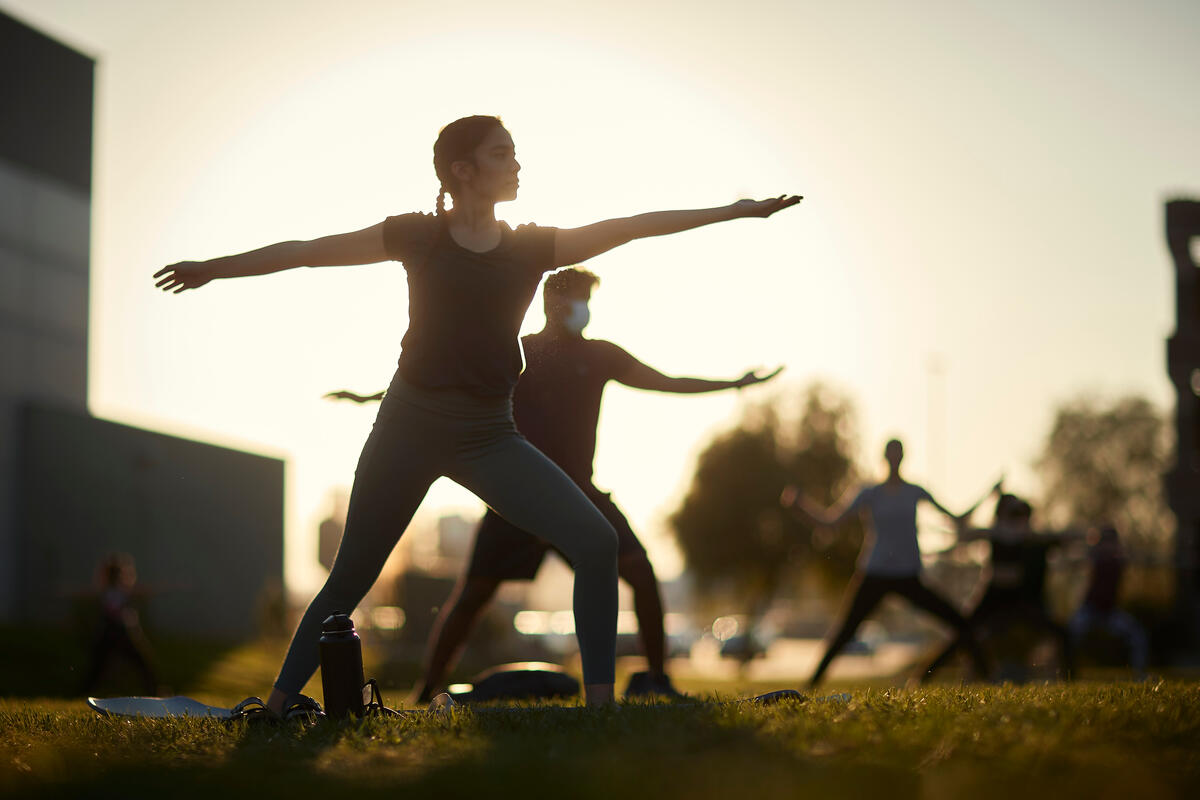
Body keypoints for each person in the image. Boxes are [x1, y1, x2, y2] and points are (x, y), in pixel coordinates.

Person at [154, 114, 801, 712]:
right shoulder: (419, 235)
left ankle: (601, 712)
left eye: (514, 153)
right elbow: (306, 250)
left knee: (596, 542)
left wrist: (735, 212)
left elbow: (631, 225)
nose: (517, 163)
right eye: (502, 154)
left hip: (489, 434)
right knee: (350, 576)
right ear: (463, 170)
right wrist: (213, 268)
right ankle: (276, 708)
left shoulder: (531, 247)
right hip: (408, 426)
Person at [331, 267, 782, 702]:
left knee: (642, 576)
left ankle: (656, 679)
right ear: (552, 304)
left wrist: (736, 383)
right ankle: (427, 690)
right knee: (471, 597)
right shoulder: (518, 352)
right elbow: (446, 380)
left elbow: (667, 382)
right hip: (516, 495)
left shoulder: (601, 355)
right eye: (578, 299)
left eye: (588, 300)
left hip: (581, 496)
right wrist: (371, 396)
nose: (584, 308)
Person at [780, 439, 991, 688]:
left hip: (908, 575)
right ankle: (812, 684)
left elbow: (957, 519)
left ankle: (983, 677)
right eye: (890, 454)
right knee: (845, 631)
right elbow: (830, 523)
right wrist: (800, 506)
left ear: (902, 457)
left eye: (898, 454)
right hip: (875, 573)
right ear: (885, 458)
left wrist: (989, 496)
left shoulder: (914, 491)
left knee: (959, 622)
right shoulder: (869, 493)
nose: (894, 458)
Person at [922, 494, 1077, 681]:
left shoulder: (1029, 536)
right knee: (964, 632)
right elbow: (965, 533)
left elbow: (1063, 537)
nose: (1015, 521)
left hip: (1019, 598)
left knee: (1059, 631)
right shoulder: (994, 533)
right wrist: (987, 500)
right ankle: (925, 677)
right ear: (1001, 516)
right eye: (1011, 515)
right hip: (993, 597)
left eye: (1018, 516)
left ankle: (1070, 678)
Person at [1068, 525, 1148, 677]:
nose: (1108, 546)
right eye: (1105, 541)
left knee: (1138, 636)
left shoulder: (1119, 561)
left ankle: (1139, 674)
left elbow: (1133, 556)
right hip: (1089, 610)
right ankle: (1070, 675)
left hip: (1110, 613)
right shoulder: (1094, 558)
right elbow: (1082, 557)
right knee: (1072, 632)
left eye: (1111, 542)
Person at [80, 553, 159, 697]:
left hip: (117, 633)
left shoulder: (119, 592)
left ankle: (153, 691)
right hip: (115, 633)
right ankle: (83, 693)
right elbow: (113, 611)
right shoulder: (111, 593)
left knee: (142, 665)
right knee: (98, 668)